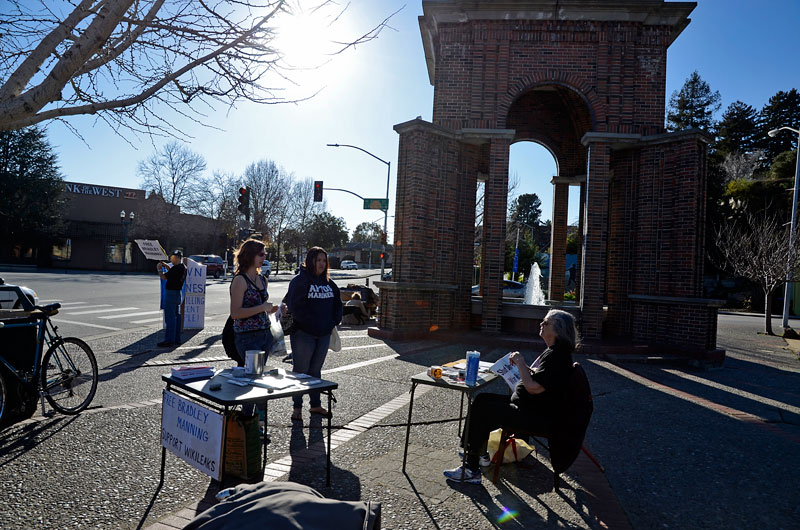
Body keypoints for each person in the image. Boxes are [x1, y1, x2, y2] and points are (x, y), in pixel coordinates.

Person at [443, 309, 578, 484]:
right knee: (483, 400)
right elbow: (543, 379)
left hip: (534, 416)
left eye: (546, 323)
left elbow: (534, 388)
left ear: (557, 330)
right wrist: (526, 370)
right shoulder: (556, 352)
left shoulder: (557, 355)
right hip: (532, 409)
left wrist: (521, 364)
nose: (541, 324)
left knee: (483, 408)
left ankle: (471, 467)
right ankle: (478, 453)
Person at [286, 246, 342, 422]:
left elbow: (338, 305)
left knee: (315, 371)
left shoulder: (329, 283)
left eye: (324, 261)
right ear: (310, 261)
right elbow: (295, 307)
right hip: (303, 334)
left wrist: (333, 321)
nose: (321, 264)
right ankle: (297, 408)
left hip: (323, 335)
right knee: (300, 372)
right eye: (318, 260)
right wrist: (311, 323)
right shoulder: (300, 281)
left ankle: (315, 405)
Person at [229, 239, 278, 361]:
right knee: (252, 374)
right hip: (247, 336)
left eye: (265, 254)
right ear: (250, 255)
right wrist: (262, 308)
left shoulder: (262, 279)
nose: (264, 258)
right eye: (261, 254)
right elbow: (235, 313)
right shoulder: (240, 280)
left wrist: (274, 310)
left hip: (265, 333)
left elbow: (262, 308)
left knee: (260, 374)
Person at [157, 250, 187, 348]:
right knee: (176, 316)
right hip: (177, 293)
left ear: (178, 258)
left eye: (173, 258)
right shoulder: (183, 268)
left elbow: (164, 277)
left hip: (170, 293)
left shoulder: (176, 269)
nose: (171, 259)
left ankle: (169, 340)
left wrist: (159, 269)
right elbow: (172, 272)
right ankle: (176, 339)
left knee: (170, 318)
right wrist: (166, 266)